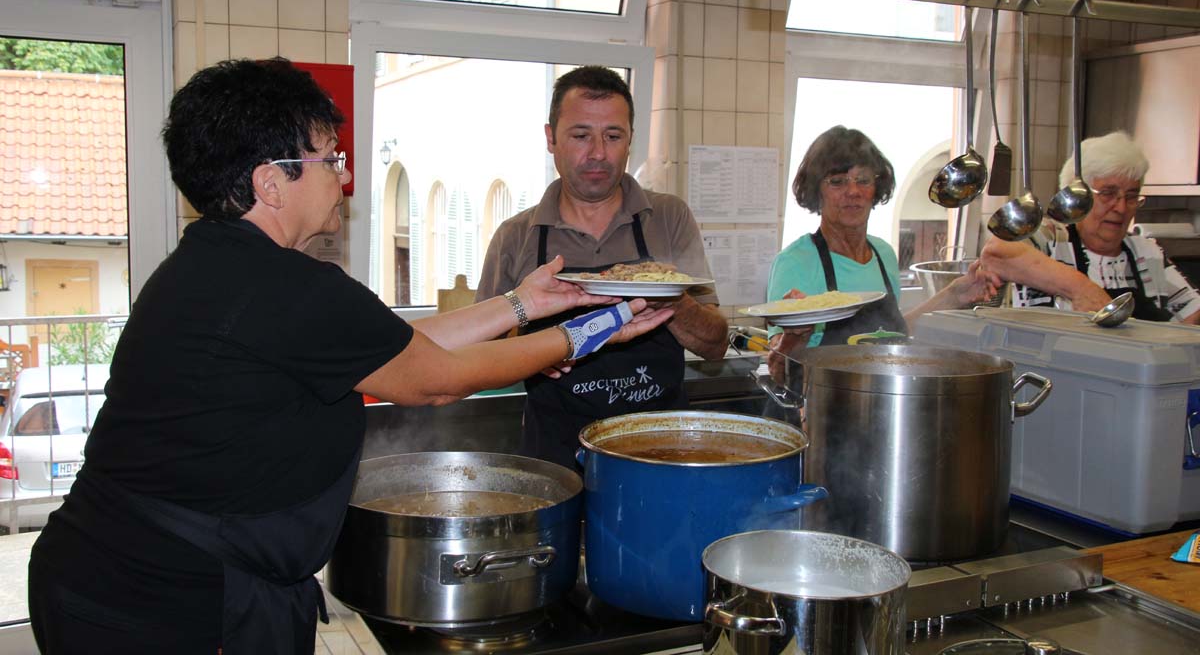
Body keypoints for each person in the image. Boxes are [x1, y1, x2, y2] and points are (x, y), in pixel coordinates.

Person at [26, 58, 672, 655]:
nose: (343, 175)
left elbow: (401, 347)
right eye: (328, 158)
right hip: (156, 596)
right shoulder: (285, 286)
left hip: (116, 571)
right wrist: (595, 330)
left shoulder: (219, 264)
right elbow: (437, 381)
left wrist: (522, 303)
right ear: (271, 182)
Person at [475, 65, 729, 469]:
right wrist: (536, 351)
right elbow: (478, 361)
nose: (597, 153)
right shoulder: (516, 236)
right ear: (550, 138)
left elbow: (715, 346)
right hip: (556, 460)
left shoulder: (668, 218)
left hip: (658, 456)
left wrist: (665, 294)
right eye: (580, 136)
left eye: (613, 136)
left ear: (630, 140)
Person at [766, 126, 1000, 353]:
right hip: (821, 382)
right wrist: (796, 335)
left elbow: (891, 335)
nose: (853, 191)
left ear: (876, 188)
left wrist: (955, 294)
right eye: (837, 181)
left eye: (863, 180)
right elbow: (779, 365)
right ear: (816, 191)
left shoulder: (883, 254)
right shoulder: (795, 262)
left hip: (880, 381)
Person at [980, 131, 1200, 323]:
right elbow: (996, 252)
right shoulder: (1051, 238)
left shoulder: (1146, 252)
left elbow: (1193, 315)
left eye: (1131, 196)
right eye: (1108, 193)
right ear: (1078, 196)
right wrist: (1081, 289)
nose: (1121, 208)